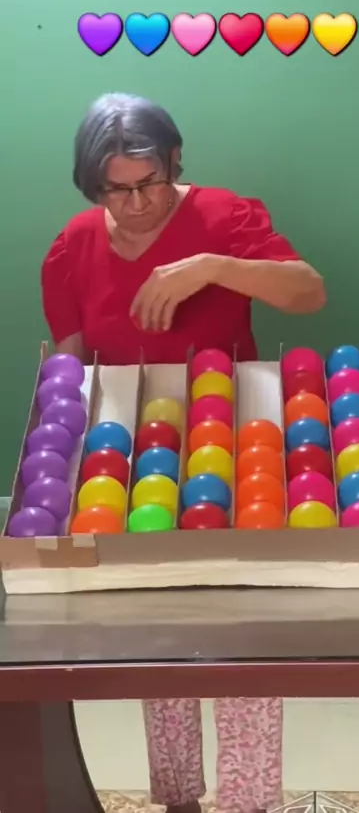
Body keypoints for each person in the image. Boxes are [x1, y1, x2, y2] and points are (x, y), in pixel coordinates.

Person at [41, 93, 327, 813]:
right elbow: (71, 372)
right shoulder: (74, 244)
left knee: (245, 637)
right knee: (158, 640)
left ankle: (250, 801)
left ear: (175, 160)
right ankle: (179, 799)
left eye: (152, 182)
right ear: (92, 184)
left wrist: (209, 266)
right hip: (128, 466)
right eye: (116, 189)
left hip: (236, 453)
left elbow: (308, 293)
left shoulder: (225, 216)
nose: (138, 203)